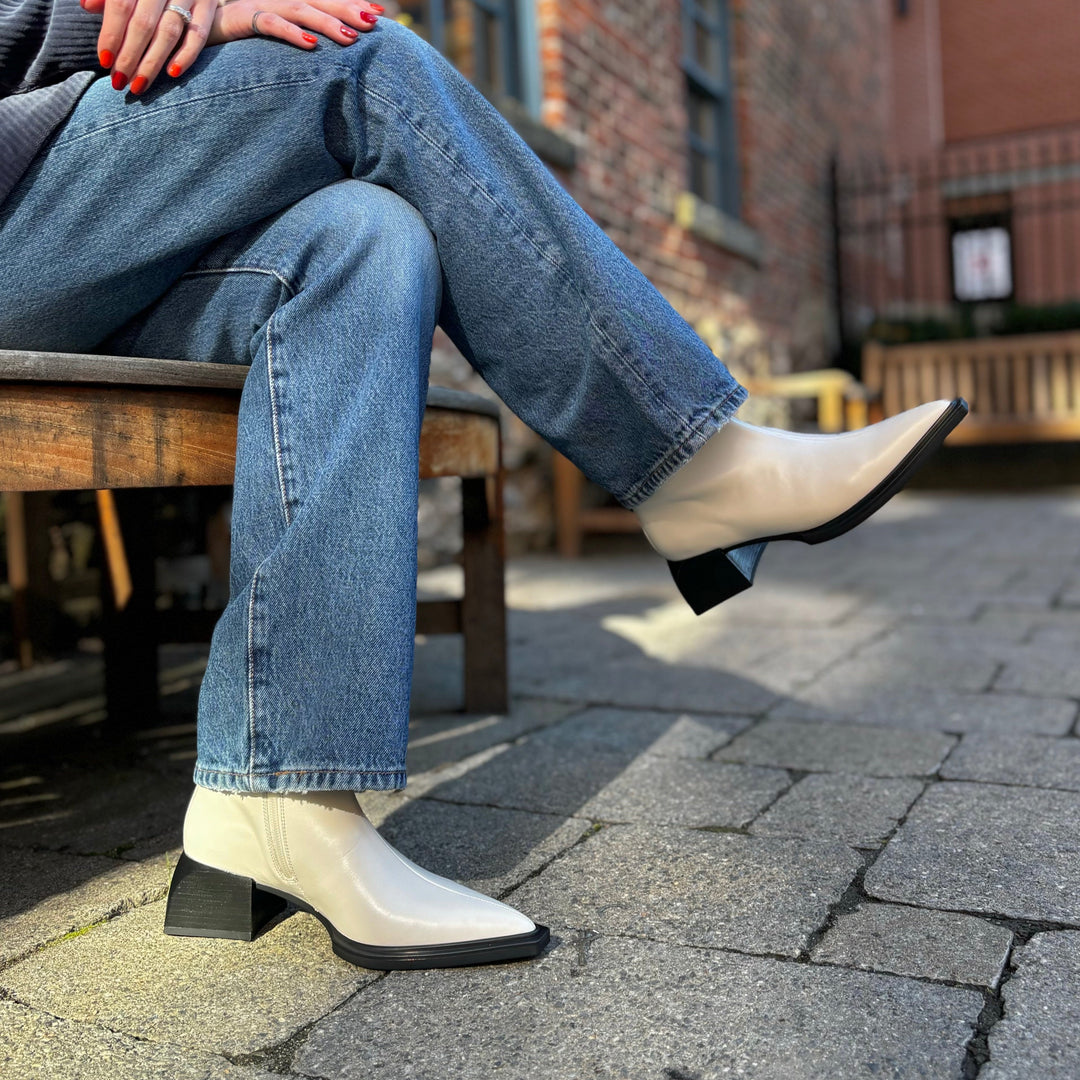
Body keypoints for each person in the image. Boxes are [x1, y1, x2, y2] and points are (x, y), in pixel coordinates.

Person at [0, 0, 967, 972]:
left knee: (371, 237)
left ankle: (280, 792)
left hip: (65, 232)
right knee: (363, 57)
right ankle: (693, 465)